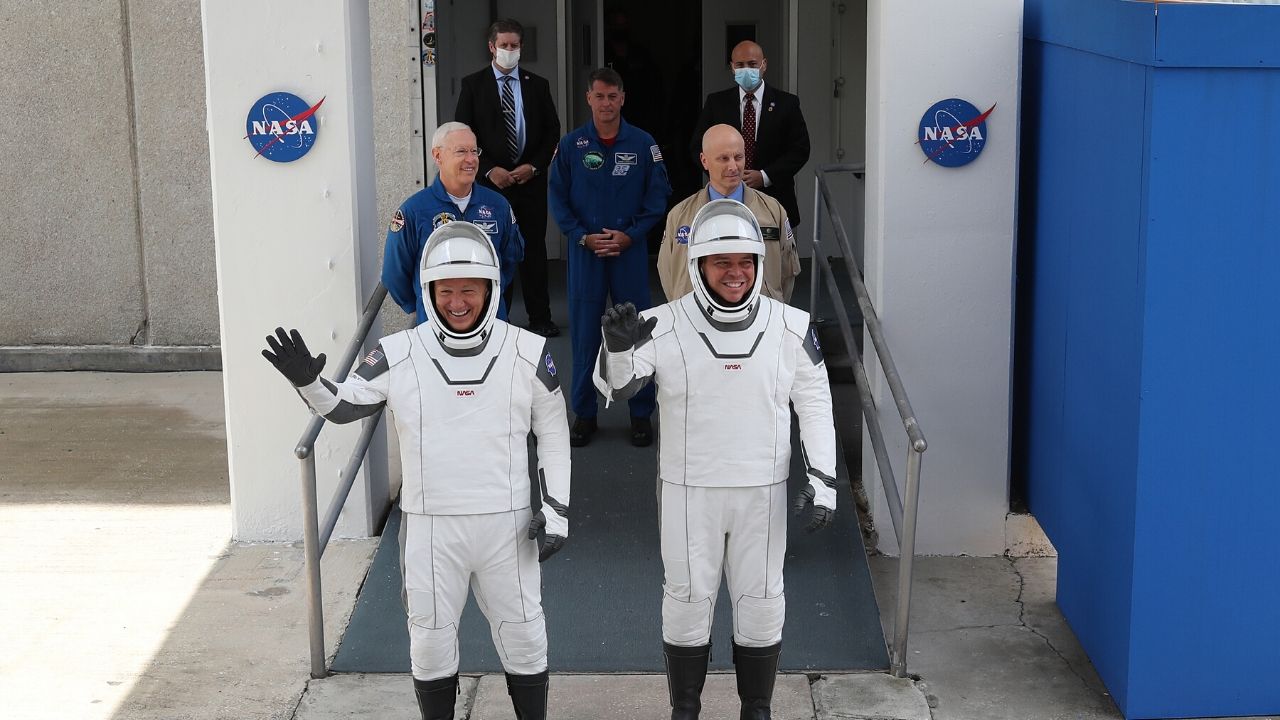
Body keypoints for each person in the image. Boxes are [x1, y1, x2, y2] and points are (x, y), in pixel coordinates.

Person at [263, 223, 570, 720]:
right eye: (445, 290)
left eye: (469, 289)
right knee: (429, 642)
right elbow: (345, 406)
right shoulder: (399, 352)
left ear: (491, 287)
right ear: (428, 291)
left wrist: (556, 510)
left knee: (526, 636)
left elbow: (553, 432)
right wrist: (311, 384)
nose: (457, 302)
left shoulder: (527, 351)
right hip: (430, 527)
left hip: (507, 526)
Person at [594, 199, 837, 719]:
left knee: (762, 599)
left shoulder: (792, 325)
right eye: (722, 262)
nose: (736, 273)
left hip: (762, 489)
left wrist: (824, 477)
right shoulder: (661, 323)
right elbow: (620, 387)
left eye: (746, 261)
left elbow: (815, 402)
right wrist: (616, 348)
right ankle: (685, 706)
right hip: (689, 490)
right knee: (685, 598)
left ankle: (757, 708)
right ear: (699, 264)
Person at [549, 67, 671, 448]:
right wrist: (582, 237)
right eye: (599, 96)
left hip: (627, 252)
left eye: (612, 96)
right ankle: (584, 414)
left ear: (623, 98)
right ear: (588, 98)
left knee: (635, 333)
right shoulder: (571, 146)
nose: (606, 103)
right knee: (585, 337)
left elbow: (658, 197)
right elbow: (557, 199)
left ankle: (640, 415)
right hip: (586, 254)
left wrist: (630, 235)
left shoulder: (643, 143)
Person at [455, 18, 562, 337]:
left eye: (515, 46)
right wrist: (488, 168)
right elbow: (463, 133)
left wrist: (535, 167)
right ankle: (497, 319)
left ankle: (540, 317)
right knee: (495, 249)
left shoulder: (537, 84)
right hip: (491, 186)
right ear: (492, 47)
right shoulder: (473, 85)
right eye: (504, 45)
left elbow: (552, 133)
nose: (510, 51)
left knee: (533, 250)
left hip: (530, 182)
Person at [382, 122, 524, 326]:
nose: (471, 159)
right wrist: (422, 305)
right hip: (434, 329)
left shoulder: (498, 206)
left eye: (474, 151)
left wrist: (486, 296)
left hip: (490, 325)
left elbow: (510, 260)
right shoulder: (413, 211)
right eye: (461, 151)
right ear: (437, 156)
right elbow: (394, 273)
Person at [658, 124, 800, 303]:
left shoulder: (772, 211)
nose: (733, 166)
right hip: (695, 322)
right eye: (724, 158)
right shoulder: (680, 216)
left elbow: (787, 272)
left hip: (760, 320)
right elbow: (667, 272)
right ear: (704, 160)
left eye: (738, 157)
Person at [691, 41, 811, 228]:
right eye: (740, 65)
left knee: (774, 256)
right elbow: (698, 147)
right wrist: (724, 175)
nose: (746, 69)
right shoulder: (716, 103)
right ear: (732, 67)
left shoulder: (787, 103)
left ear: (763, 65)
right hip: (726, 199)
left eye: (752, 64)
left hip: (775, 199)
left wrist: (764, 176)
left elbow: (800, 150)